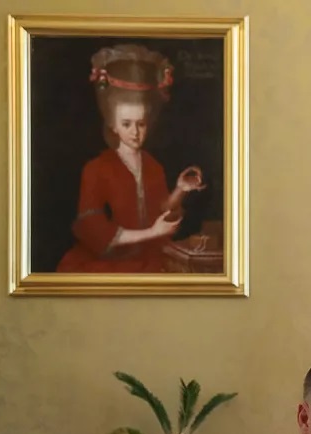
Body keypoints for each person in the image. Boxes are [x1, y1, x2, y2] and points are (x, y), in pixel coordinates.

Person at [56, 44, 206, 273]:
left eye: (141, 124)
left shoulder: (153, 166)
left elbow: (161, 210)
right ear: (113, 125)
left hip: (147, 260)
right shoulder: (96, 169)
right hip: (107, 264)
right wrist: (151, 234)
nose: (135, 132)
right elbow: (93, 228)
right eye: (126, 124)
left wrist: (180, 189)